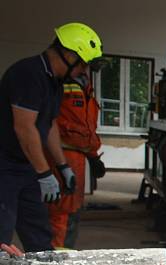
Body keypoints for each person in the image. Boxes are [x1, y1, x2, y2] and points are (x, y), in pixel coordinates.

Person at [0, 22, 102, 252]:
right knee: (3, 235)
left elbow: (49, 125)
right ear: (68, 54)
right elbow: (24, 128)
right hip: (4, 165)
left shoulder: (55, 83)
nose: (84, 71)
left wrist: (62, 167)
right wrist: (45, 173)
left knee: (38, 231)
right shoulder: (28, 74)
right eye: (83, 64)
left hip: (25, 165)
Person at [47, 70, 104, 248]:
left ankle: (63, 254)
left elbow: (85, 128)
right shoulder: (59, 85)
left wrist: (93, 156)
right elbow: (66, 128)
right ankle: (57, 260)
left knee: (71, 211)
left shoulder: (84, 86)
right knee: (61, 213)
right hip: (61, 157)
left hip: (76, 157)